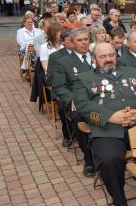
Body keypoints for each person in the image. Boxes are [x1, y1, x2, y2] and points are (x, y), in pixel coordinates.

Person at [74, 42, 136, 206]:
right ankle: (119, 199)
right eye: (103, 56)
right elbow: (82, 106)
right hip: (108, 130)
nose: (108, 59)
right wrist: (110, 117)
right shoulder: (83, 79)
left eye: (111, 55)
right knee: (109, 160)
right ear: (94, 59)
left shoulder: (132, 72)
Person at [52, 27, 94, 176]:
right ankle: (89, 158)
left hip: (102, 100)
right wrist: (72, 100)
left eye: (86, 39)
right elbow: (59, 86)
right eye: (80, 40)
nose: (84, 43)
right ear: (71, 42)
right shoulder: (63, 63)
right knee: (78, 118)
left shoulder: (97, 56)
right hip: (79, 102)